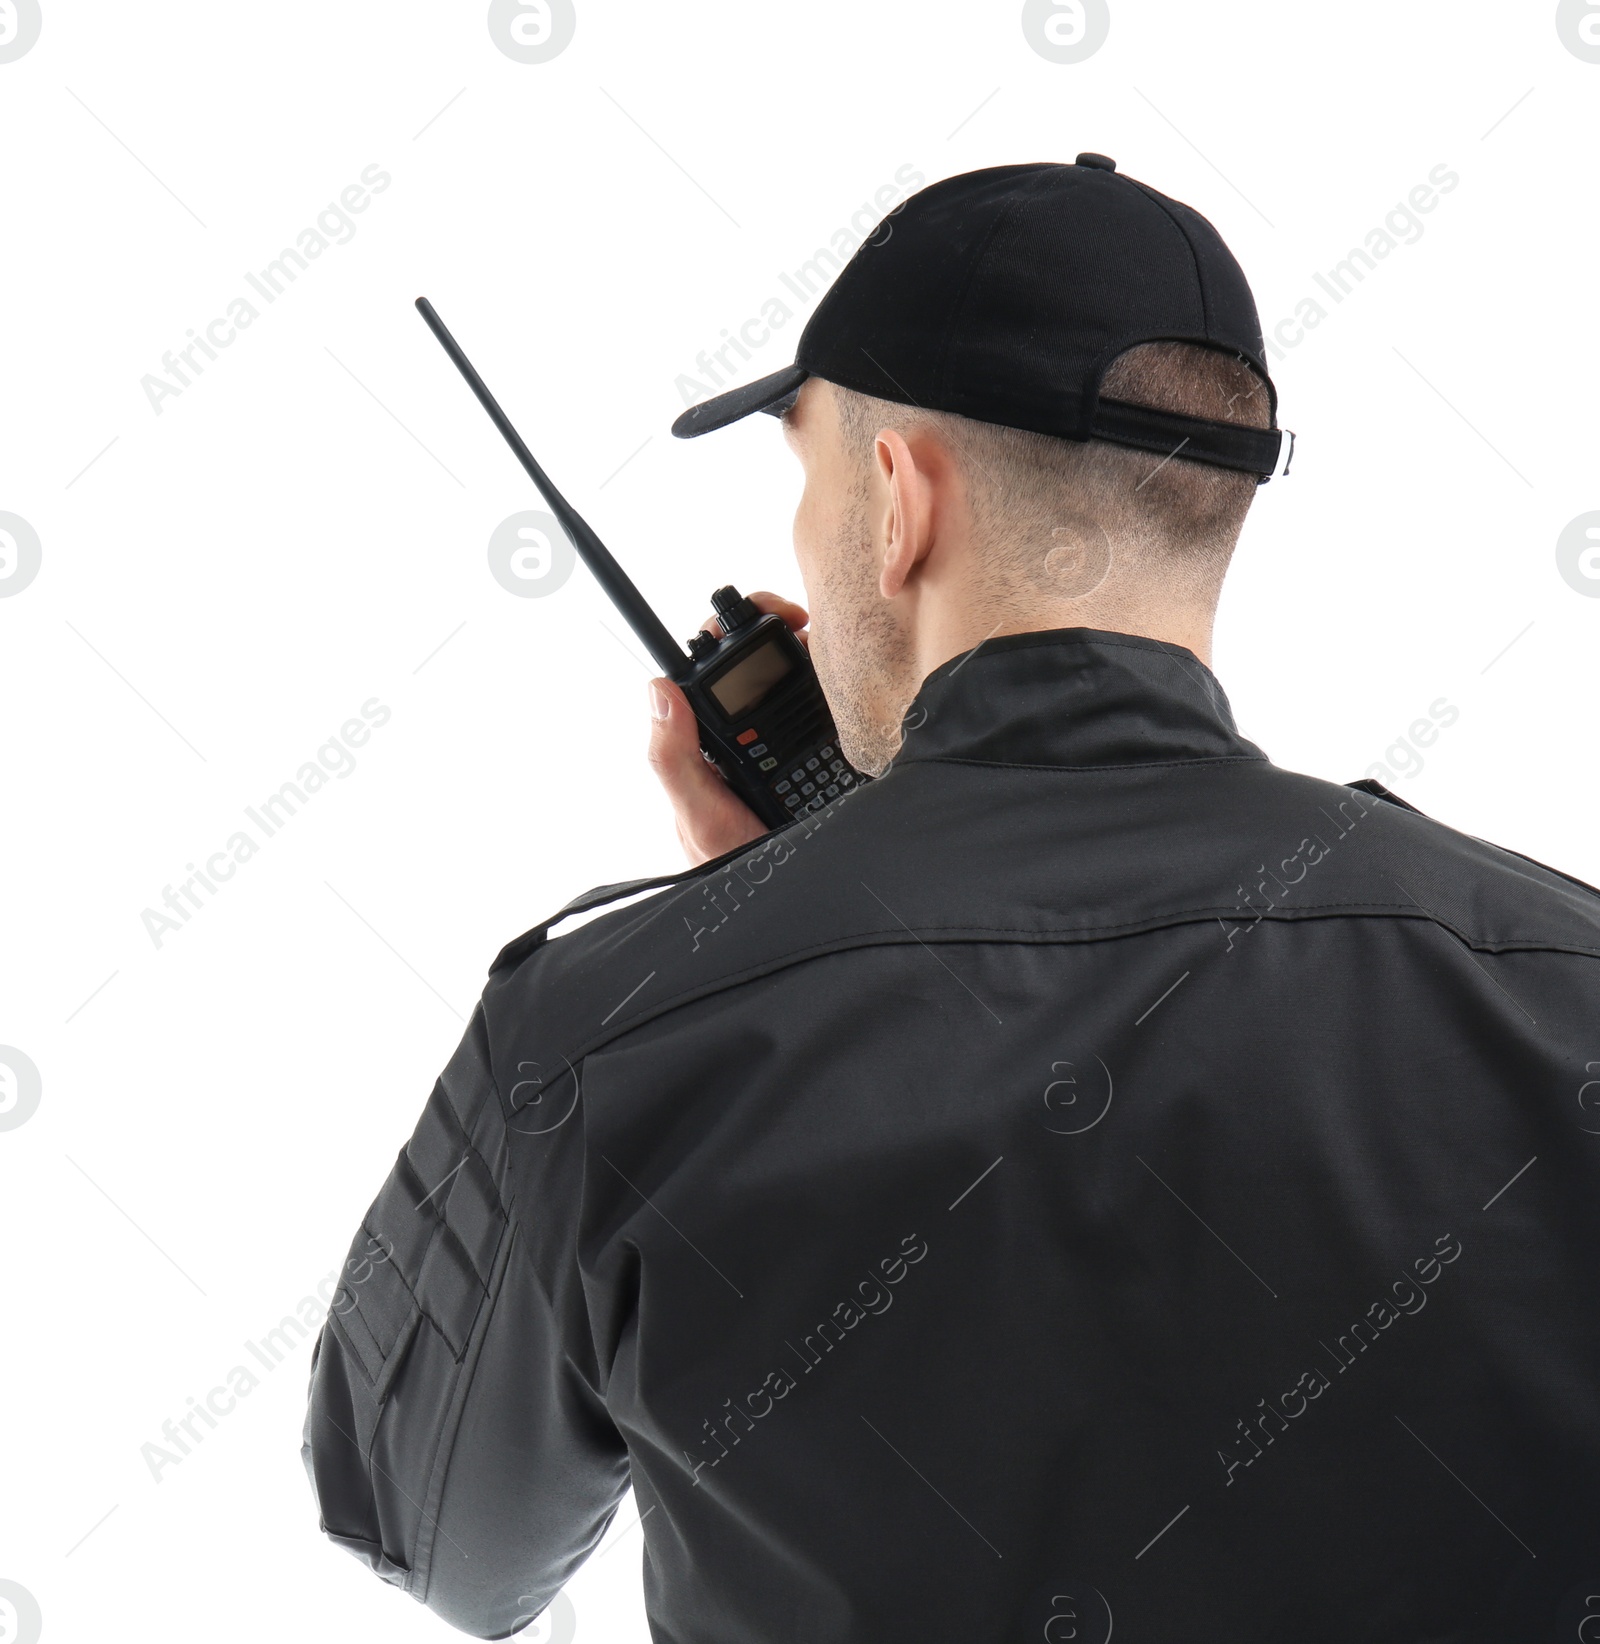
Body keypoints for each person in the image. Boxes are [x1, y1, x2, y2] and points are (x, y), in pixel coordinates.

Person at [302, 159, 1600, 1642]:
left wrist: (749, 948)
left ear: (898, 500)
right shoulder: (1567, 983)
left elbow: (434, 1545)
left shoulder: (602, 1038)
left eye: (806, 479)